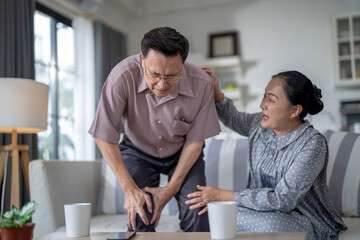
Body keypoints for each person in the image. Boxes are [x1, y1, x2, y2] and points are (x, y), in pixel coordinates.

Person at [186, 68, 347, 239]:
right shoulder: (259, 125)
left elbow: (283, 200)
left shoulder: (312, 143)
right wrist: (216, 92)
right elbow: (233, 118)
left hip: (304, 220)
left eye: (271, 99)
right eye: (264, 96)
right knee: (215, 214)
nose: (262, 104)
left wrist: (221, 195)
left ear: (294, 111)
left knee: (263, 223)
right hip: (258, 211)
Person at [89, 27, 220, 232]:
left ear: (183, 65)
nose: (161, 84)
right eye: (155, 74)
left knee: (196, 215)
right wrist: (130, 189)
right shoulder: (121, 76)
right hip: (137, 150)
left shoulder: (202, 84)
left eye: (171, 76)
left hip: (182, 152)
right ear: (142, 60)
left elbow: (195, 142)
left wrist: (170, 189)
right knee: (141, 216)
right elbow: (103, 135)